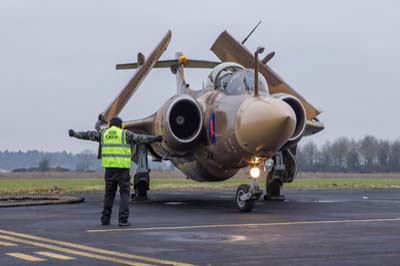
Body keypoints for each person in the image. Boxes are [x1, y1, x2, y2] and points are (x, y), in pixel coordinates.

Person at [69, 117, 162, 226]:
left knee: (109, 195)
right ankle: (122, 220)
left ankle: (105, 219)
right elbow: (141, 138)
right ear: (120, 125)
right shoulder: (124, 134)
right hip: (122, 170)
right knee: (124, 195)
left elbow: (88, 135)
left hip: (109, 170)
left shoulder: (104, 133)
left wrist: (74, 134)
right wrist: (155, 139)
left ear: (110, 125)